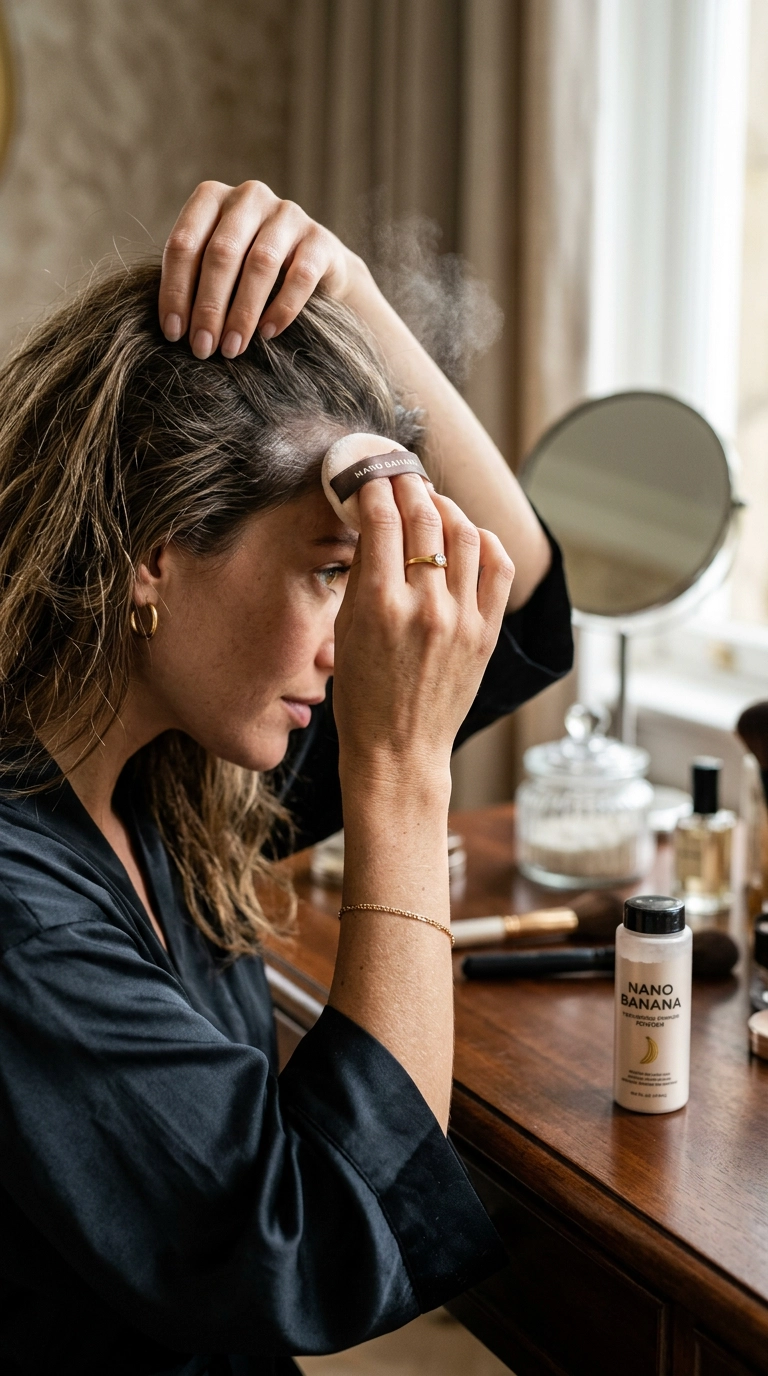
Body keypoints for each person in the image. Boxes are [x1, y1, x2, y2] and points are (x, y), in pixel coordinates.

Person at [0, 181, 573, 1376]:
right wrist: (402, 772)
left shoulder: (162, 774)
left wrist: (346, 293)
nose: (345, 635)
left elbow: (516, 592)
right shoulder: (20, 915)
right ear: (155, 549)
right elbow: (315, 1246)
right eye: (329, 570)